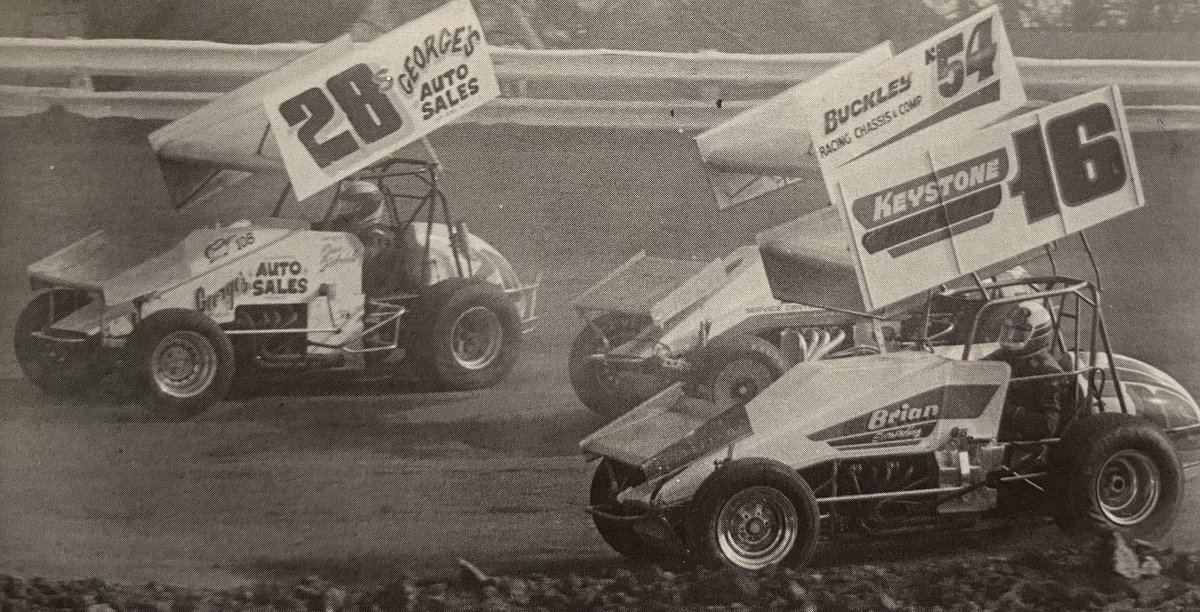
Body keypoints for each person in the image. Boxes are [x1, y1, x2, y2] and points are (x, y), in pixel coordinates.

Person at [988, 301, 1066, 441]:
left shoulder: (1049, 372)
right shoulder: (1004, 355)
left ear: (1037, 335)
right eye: (1008, 330)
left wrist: (1006, 410)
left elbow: (1048, 426)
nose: (1010, 338)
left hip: (1024, 443)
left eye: (1018, 334)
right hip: (997, 428)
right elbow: (977, 367)